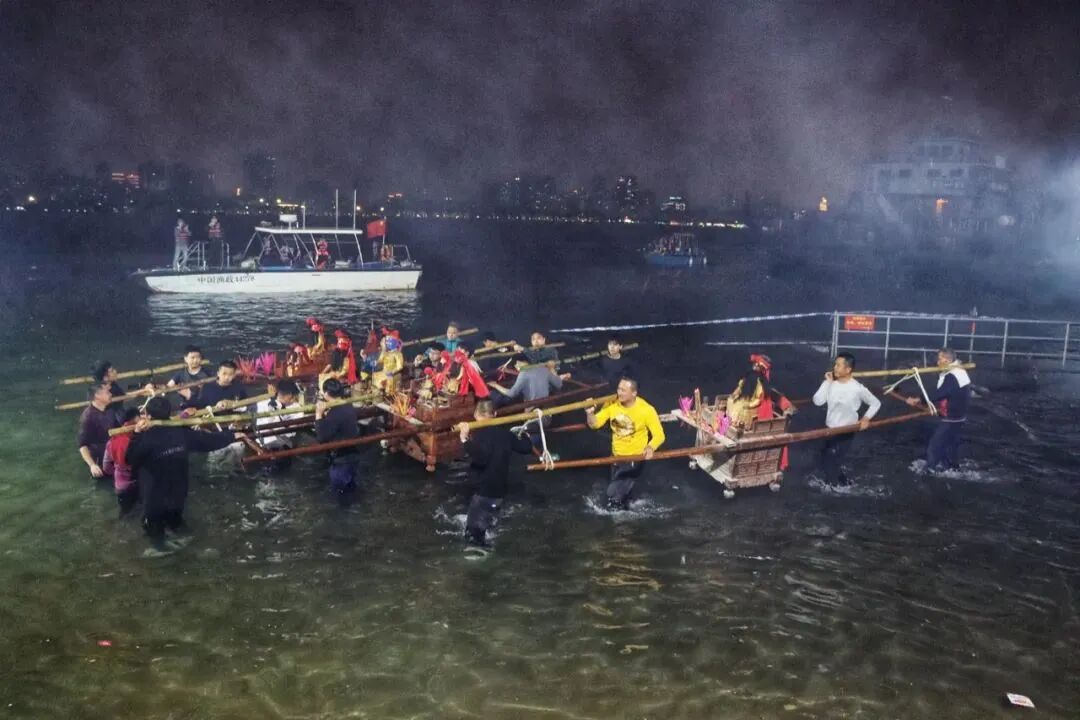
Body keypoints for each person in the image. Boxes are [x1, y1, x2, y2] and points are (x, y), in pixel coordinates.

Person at [127, 396, 244, 549]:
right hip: (178, 489)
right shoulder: (181, 432)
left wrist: (136, 434)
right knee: (175, 520)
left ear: (147, 416)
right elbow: (207, 441)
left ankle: (159, 550)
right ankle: (188, 546)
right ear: (169, 413)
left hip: (154, 492)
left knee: (153, 527)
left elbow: (131, 458)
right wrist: (231, 435)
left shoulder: (146, 438)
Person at [458, 399, 534, 546]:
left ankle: (478, 553)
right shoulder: (506, 434)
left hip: (483, 492)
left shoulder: (479, 435)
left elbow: (481, 458)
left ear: (475, 414)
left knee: (473, 534)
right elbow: (526, 448)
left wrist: (464, 439)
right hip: (499, 493)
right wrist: (525, 435)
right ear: (495, 414)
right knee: (489, 527)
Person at [586, 377, 666, 509]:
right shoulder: (611, 404)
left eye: (623, 390)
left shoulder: (646, 410)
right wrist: (590, 413)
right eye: (618, 389)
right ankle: (628, 513)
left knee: (613, 496)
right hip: (616, 458)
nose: (619, 393)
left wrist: (651, 447)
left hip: (634, 459)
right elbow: (595, 424)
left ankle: (619, 524)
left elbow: (659, 435)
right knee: (622, 495)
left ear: (634, 393)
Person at [812, 352, 882, 486]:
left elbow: (876, 403)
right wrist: (827, 383)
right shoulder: (831, 383)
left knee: (831, 460)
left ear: (848, 369)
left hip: (846, 430)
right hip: (830, 429)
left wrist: (866, 418)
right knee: (827, 460)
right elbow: (817, 401)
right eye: (835, 365)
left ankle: (835, 490)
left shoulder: (857, 388)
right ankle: (844, 483)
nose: (835, 368)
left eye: (838, 365)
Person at [904, 348, 972, 471]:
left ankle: (929, 472)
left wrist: (918, 399)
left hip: (952, 418)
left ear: (948, 360)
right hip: (959, 417)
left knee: (934, 447)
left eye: (940, 359)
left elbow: (940, 393)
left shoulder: (952, 376)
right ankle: (952, 469)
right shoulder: (959, 371)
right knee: (950, 447)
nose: (938, 362)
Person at [314, 378, 361, 493]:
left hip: (341, 460)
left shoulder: (335, 413)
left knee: (340, 494)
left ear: (326, 394)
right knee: (351, 491)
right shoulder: (348, 406)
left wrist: (319, 415)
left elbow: (321, 437)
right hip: (353, 455)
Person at [103, 407, 141, 516]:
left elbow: (106, 467)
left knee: (126, 514)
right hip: (140, 483)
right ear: (137, 418)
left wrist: (117, 472)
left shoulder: (112, 441)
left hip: (121, 486)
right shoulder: (142, 437)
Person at [492, 358, 569, 407]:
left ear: (522, 362)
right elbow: (559, 384)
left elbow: (511, 393)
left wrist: (495, 385)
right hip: (546, 402)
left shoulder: (523, 373)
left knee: (502, 398)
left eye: (517, 364)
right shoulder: (543, 369)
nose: (516, 366)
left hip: (532, 405)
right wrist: (552, 369)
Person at [254, 379, 305, 452]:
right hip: (264, 443)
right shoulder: (264, 404)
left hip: (285, 445)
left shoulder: (296, 407)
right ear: (290, 395)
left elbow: (294, 429)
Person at [77, 382, 114, 479]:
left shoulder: (109, 410)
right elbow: (82, 445)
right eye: (107, 392)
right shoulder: (88, 417)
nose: (110, 394)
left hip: (110, 455)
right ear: (97, 396)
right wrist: (92, 465)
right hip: (98, 461)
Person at [181, 360, 247, 411]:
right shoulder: (208, 387)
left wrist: (229, 403)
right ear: (218, 373)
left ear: (234, 375)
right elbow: (200, 404)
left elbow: (246, 402)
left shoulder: (238, 386)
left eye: (230, 374)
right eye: (224, 374)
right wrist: (188, 397)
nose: (227, 377)